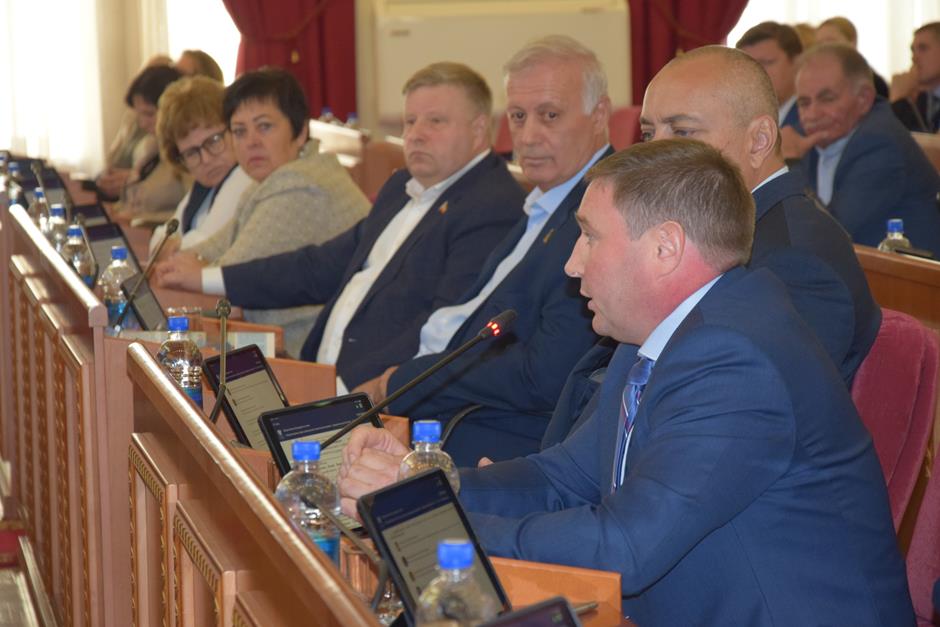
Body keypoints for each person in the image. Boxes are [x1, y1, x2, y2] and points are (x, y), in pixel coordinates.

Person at [338, 139, 914, 625]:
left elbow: (625, 548)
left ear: (665, 248)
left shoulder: (736, 358)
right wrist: (420, 484)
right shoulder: (654, 336)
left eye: (589, 236)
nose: (572, 264)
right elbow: (563, 477)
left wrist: (432, 526)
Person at [542, 44, 881, 447]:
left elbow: (740, 428)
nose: (655, 153)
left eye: (683, 133)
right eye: (648, 134)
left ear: (758, 140)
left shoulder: (795, 259)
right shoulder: (702, 230)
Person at [158, 62, 523, 391]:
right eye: (410, 121)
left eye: (435, 121)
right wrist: (203, 279)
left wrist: (338, 394)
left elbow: (441, 331)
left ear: (479, 130)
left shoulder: (489, 207)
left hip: (369, 396)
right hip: (316, 372)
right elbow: (317, 267)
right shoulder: (401, 188)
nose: (416, 134)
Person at [354, 35, 607, 465]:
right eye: (518, 116)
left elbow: (543, 376)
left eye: (549, 115)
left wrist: (404, 381)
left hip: (500, 448)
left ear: (598, 115)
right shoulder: (545, 203)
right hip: (440, 416)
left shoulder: (596, 214)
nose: (528, 136)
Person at [155, 68, 369, 356]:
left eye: (264, 126)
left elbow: (228, 280)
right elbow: (208, 252)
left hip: (308, 351)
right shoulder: (268, 181)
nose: (251, 141)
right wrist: (189, 266)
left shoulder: (298, 182)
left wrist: (194, 270)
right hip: (275, 339)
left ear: (300, 132)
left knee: (167, 354)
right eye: (240, 131)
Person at [796, 43, 940, 254]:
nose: (812, 114)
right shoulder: (814, 137)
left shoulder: (880, 142)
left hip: (905, 273)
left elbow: (830, 236)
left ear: (863, 99)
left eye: (827, 99)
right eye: (804, 103)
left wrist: (788, 164)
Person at [149, 76, 253, 255]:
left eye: (213, 141)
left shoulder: (243, 177)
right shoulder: (204, 188)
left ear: (234, 130)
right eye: (191, 153)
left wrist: (176, 247)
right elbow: (158, 241)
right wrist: (178, 247)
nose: (206, 159)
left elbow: (204, 249)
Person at [111, 65, 191, 219]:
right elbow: (132, 202)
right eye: (139, 115)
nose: (142, 124)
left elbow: (193, 215)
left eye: (149, 114)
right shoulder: (151, 149)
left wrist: (138, 220)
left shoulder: (189, 153)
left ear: (172, 109)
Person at [735, 21, 812, 161]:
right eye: (748, 67)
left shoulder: (810, 121)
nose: (756, 73)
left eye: (766, 63)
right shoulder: (739, 121)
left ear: (797, 63)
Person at [815, 16, 890, 98]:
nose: (825, 48)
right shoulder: (817, 81)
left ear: (852, 42)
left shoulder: (872, 82)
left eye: (831, 41)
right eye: (820, 44)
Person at [891, 22, 940, 132]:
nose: (914, 57)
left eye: (923, 48)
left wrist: (898, 102)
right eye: (913, 50)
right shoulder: (918, 98)